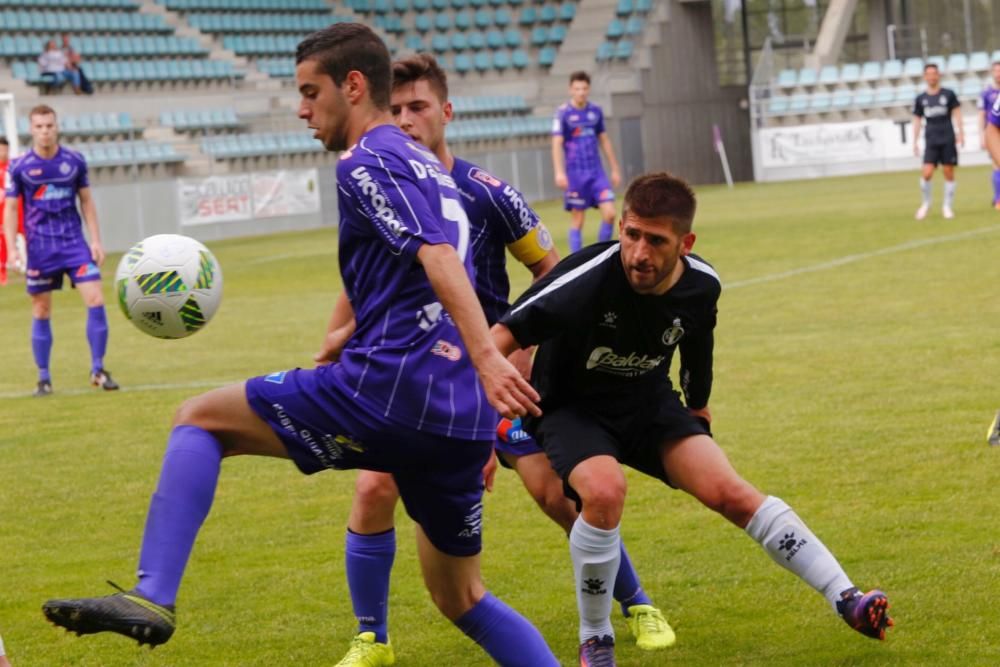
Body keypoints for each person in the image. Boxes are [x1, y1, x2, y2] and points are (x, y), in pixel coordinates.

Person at [41, 24, 560, 666]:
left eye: (311, 92)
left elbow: (435, 255)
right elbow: (421, 269)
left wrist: (486, 355)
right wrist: (365, 334)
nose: (301, 108)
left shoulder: (367, 158)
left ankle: (153, 594)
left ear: (353, 85)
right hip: (460, 417)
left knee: (199, 420)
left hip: (391, 389)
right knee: (464, 598)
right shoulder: (424, 160)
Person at [324, 52, 673, 667]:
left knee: (556, 494)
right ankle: (371, 638)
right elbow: (355, 287)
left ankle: (638, 602)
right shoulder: (381, 184)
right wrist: (335, 347)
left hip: (497, 374)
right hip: (415, 380)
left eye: (419, 107)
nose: (406, 120)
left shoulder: (489, 194)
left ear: (447, 112)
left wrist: (530, 352)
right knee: (375, 485)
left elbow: (550, 272)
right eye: (397, 108)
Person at [490, 172, 894, 665]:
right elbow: (500, 336)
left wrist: (697, 407)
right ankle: (596, 639)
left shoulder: (703, 285)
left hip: (647, 403)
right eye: (631, 234)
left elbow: (698, 345)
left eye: (656, 241)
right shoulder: (587, 276)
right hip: (571, 407)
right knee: (604, 491)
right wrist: (483, 413)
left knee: (731, 491)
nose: (639, 252)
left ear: (685, 243)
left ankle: (848, 598)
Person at [3, 105, 117, 396]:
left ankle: (98, 369)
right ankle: (44, 377)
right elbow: (12, 208)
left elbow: (87, 202)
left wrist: (96, 240)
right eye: (39, 126)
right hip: (40, 248)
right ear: (32, 129)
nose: (45, 131)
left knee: (96, 298)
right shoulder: (19, 167)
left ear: (57, 127)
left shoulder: (75, 161)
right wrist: (12, 249)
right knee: (41, 309)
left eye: (49, 125)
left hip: (74, 245)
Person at [551, 70, 621, 253]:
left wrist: (614, 168)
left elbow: (604, 140)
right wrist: (559, 172)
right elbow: (556, 143)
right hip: (575, 174)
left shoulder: (595, 112)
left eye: (584, 88)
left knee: (611, 214)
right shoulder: (563, 114)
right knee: (578, 220)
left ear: (588, 89)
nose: (581, 92)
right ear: (570, 90)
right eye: (577, 88)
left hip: (597, 173)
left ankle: (600, 254)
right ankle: (577, 262)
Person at [912, 63, 962, 220]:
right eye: (929, 74)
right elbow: (917, 120)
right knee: (926, 173)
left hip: (947, 138)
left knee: (948, 172)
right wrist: (914, 141)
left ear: (938, 75)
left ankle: (947, 206)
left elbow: (957, 113)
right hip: (931, 140)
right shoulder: (921, 99)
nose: (932, 76)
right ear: (925, 76)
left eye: (934, 73)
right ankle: (926, 204)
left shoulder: (948, 94)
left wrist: (961, 132)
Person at [0, 137, 26, 286]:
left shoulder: (14, 166)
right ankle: (3, 274)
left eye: (5, 149)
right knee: (2, 244)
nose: (3, 152)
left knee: (30, 237)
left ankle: (33, 266)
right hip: (4, 214)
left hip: (21, 210)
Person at [979, 62, 1000, 209]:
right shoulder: (987, 93)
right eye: (996, 71)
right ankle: (998, 198)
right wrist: (982, 135)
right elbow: (986, 120)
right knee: (996, 165)